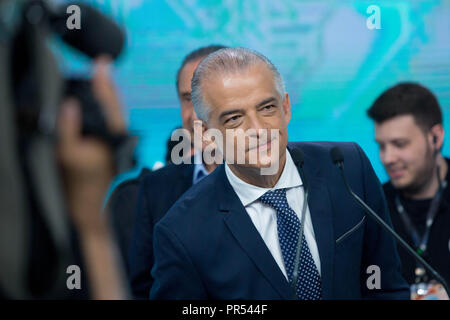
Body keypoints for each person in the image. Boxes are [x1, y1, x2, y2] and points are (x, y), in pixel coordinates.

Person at [149, 47, 409, 300]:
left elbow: (386, 286)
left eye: (267, 108)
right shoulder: (182, 232)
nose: (258, 129)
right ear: (206, 134)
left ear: (285, 108)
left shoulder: (348, 168)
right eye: (234, 118)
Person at [124, 45, 227, 299]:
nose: (195, 114)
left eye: (206, 96)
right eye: (186, 98)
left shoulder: (279, 180)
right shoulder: (155, 188)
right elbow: (141, 289)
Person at [367, 83, 450, 291]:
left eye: (400, 144)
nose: (387, 158)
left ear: (436, 138)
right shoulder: (371, 208)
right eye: (381, 145)